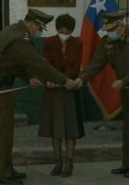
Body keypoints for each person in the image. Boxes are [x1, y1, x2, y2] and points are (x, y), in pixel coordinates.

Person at [0, 8, 77, 185]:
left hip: (3, 82)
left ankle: (7, 169)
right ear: (32, 24)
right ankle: (1, 175)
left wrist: (29, 77)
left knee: (7, 129)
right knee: (2, 131)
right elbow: (36, 62)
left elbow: (16, 62)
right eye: (39, 29)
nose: (38, 33)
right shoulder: (19, 38)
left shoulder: (16, 31)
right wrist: (64, 80)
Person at [74, 11, 129, 178]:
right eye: (107, 30)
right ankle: (127, 164)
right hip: (125, 89)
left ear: (122, 26)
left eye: (112, 29)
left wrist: (123, 81)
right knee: (128, 127)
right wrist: (81, 79)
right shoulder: (107, 42)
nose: (109, 33)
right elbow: (96, 63)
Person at [38, 14, 84, 177]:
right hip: (53, 90)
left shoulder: (77, 43)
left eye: (67, 32)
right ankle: (57, 162)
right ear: (57, 29)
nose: (64, 35)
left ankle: (69, 163)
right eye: (61, 32)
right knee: (55, 129)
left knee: (70, 129)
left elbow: (76, 67)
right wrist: (51, 80)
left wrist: (64, 81)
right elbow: (45, 64)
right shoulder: (49, 42)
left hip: (69, 89)